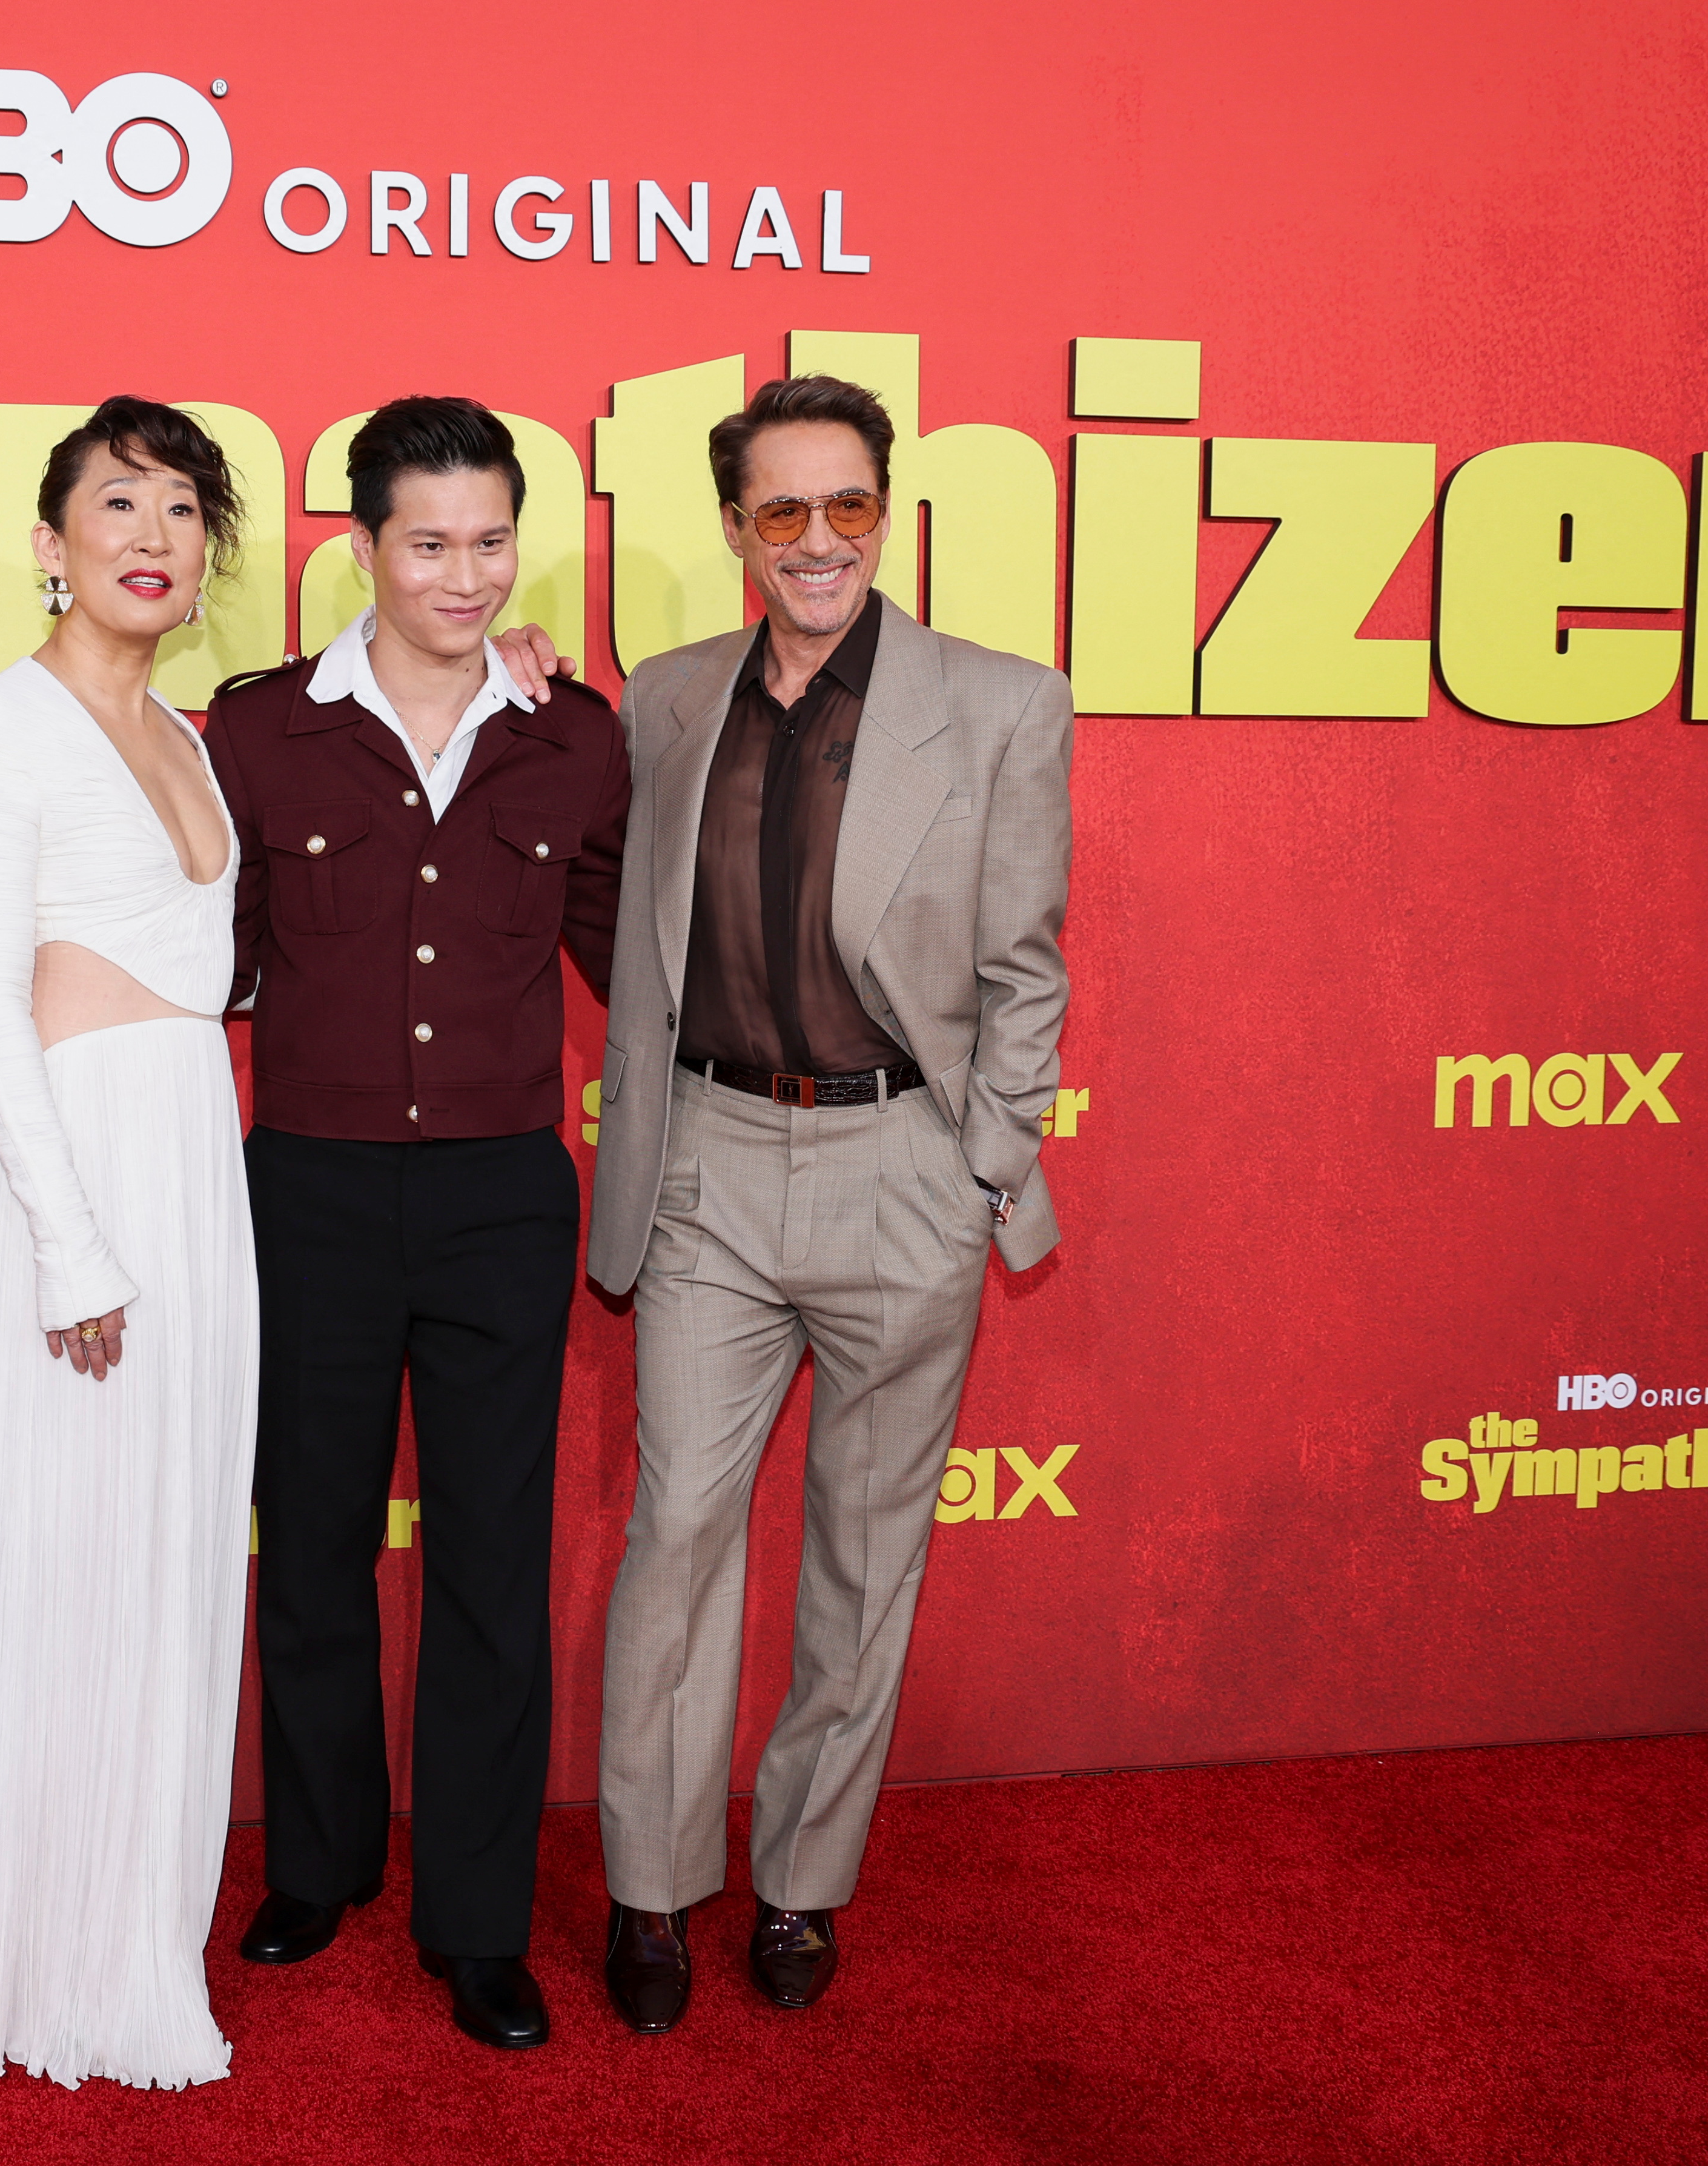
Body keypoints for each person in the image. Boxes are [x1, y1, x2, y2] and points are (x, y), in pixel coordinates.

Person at [586, 374, 1073, 2033]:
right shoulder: (659, 700)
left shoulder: (1001, 705)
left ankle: (801, 1884)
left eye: (847, 505)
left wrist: (977, 1168)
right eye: (781, 511)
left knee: (866, 1556)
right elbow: (617, 916)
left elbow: (1023, 971)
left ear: (888, 511)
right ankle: (648, 1893)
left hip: (898, 1173)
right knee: (678, 1538)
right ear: (734, 530)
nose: (818, 540)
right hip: (710, 1167)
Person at [204, 397, 629, 2050]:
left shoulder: (573, 735)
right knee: (307, 1540)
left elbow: (630, 960)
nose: (464, 575)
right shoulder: (257, 734)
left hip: (498, 1196)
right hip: (306, 1186)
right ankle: (313, 1866)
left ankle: (476, 1920)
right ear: (361, 547)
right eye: (430, 543)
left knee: (488, 1564)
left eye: (490, 542)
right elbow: (206, 951)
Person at [0, 398, 259, 2090]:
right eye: (117, 502)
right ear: (49, 538)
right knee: (51, 1555)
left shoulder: (199, 736)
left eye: (180, 507)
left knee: (163, 1556)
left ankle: (127, 1939)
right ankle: (17, 1961)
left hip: (191, 1153)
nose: (150, 533)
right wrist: (69, 1248)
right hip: (68, 1168)